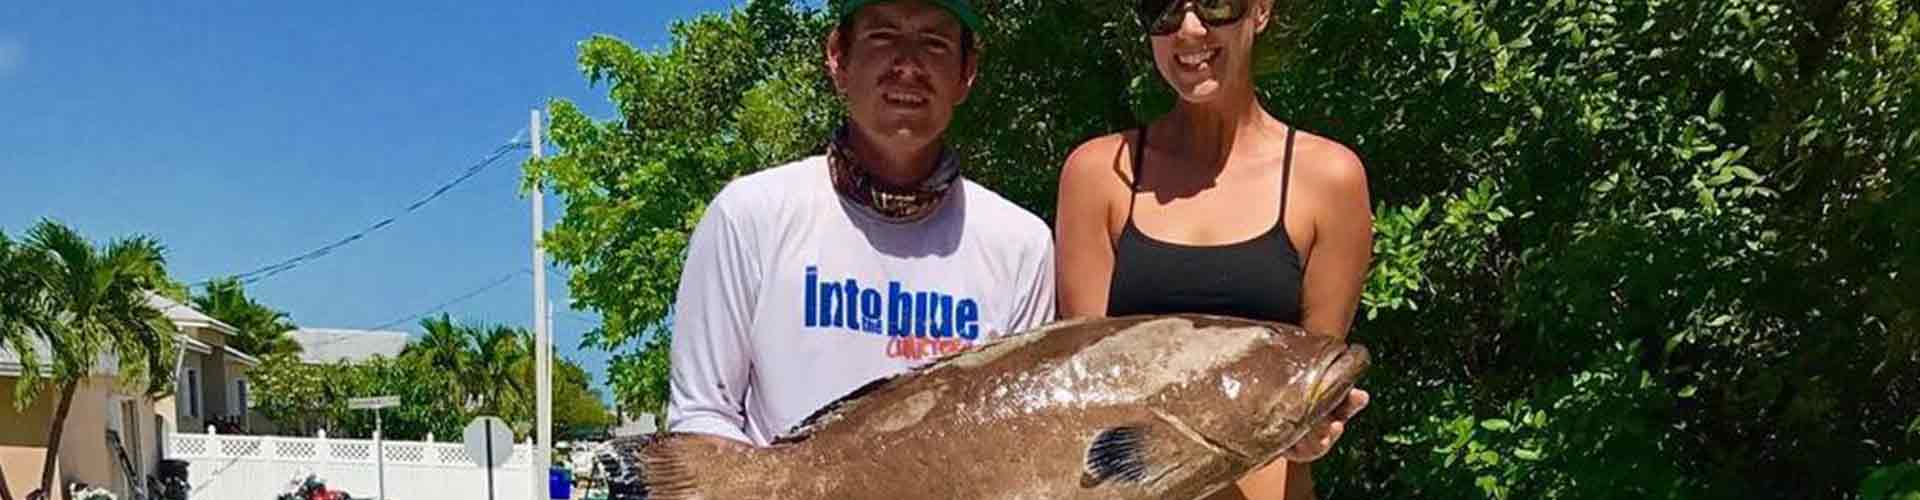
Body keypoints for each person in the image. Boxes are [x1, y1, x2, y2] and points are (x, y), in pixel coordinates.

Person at [664, 0, 1057, 447]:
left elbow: (1015, 437)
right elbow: (701, 416)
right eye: (883, 36)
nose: (908, 65)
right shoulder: (749, 214)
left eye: (934, 43)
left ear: (966, 73)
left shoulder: (1023, 246)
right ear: (838, 57)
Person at [1052, 0, 1376, 498]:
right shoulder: (1095, 174)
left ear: (1261, 11)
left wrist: (1316, 427)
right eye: (1163, 9)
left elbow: (1313, 387)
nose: (1188, 29)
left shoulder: (1330, 179)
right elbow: (1087, 392)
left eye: (1216, 5)